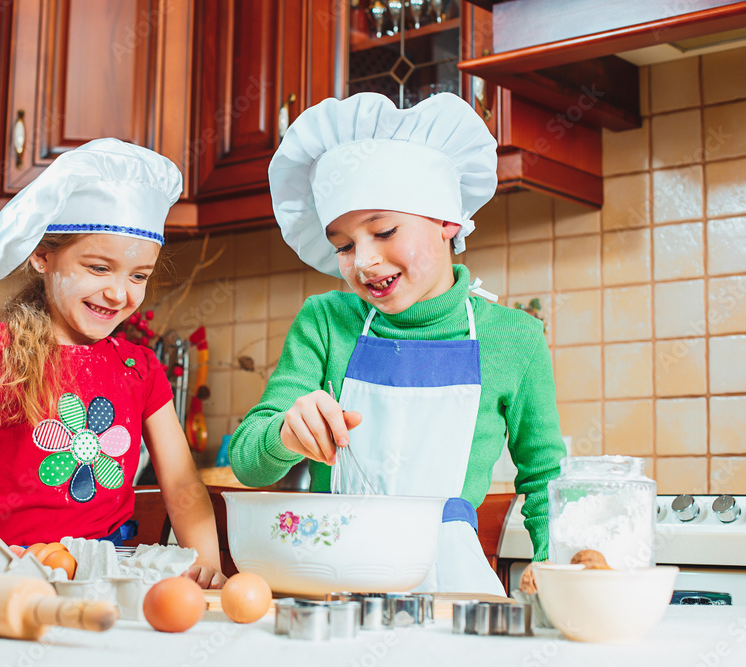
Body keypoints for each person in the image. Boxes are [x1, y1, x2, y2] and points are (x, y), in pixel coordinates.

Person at [229, 92, 565, 595]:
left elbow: (545, 478)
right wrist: (286, 435)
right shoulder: (326, 321)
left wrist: (555, 563)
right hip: (332, 584)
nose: (362, 261)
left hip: (451, 588)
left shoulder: (513, 338)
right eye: (342, 245)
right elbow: (247, 461)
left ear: (447, 219)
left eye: (383, 231)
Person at [0, 138, 226, 588]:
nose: (119, 292)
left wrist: (208, 564)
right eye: (98, 268)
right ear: (43, 256)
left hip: (106, 579)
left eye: (139, 276)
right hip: (3, 577)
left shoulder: (140, 368)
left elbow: (184, 487)